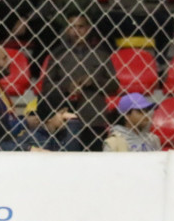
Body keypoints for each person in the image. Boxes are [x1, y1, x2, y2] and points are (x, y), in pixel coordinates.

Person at [43, 13, 119, 151]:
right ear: (67, 30)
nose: (77, 31)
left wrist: (94, 81)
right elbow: (46, 87)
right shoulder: (57, 54)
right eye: (72, 27)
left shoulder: (101, 54)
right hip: (66, 118)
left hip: (95, 118)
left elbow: (114, 85)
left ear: (88, 29)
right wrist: (67, 87)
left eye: (81, 27)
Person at [15, 90, 85, 151]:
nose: (66, 116)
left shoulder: (63, 135)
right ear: (50, 117)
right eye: (62, 113)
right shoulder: (33, 137)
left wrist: (73, 123)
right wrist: (73, 122)